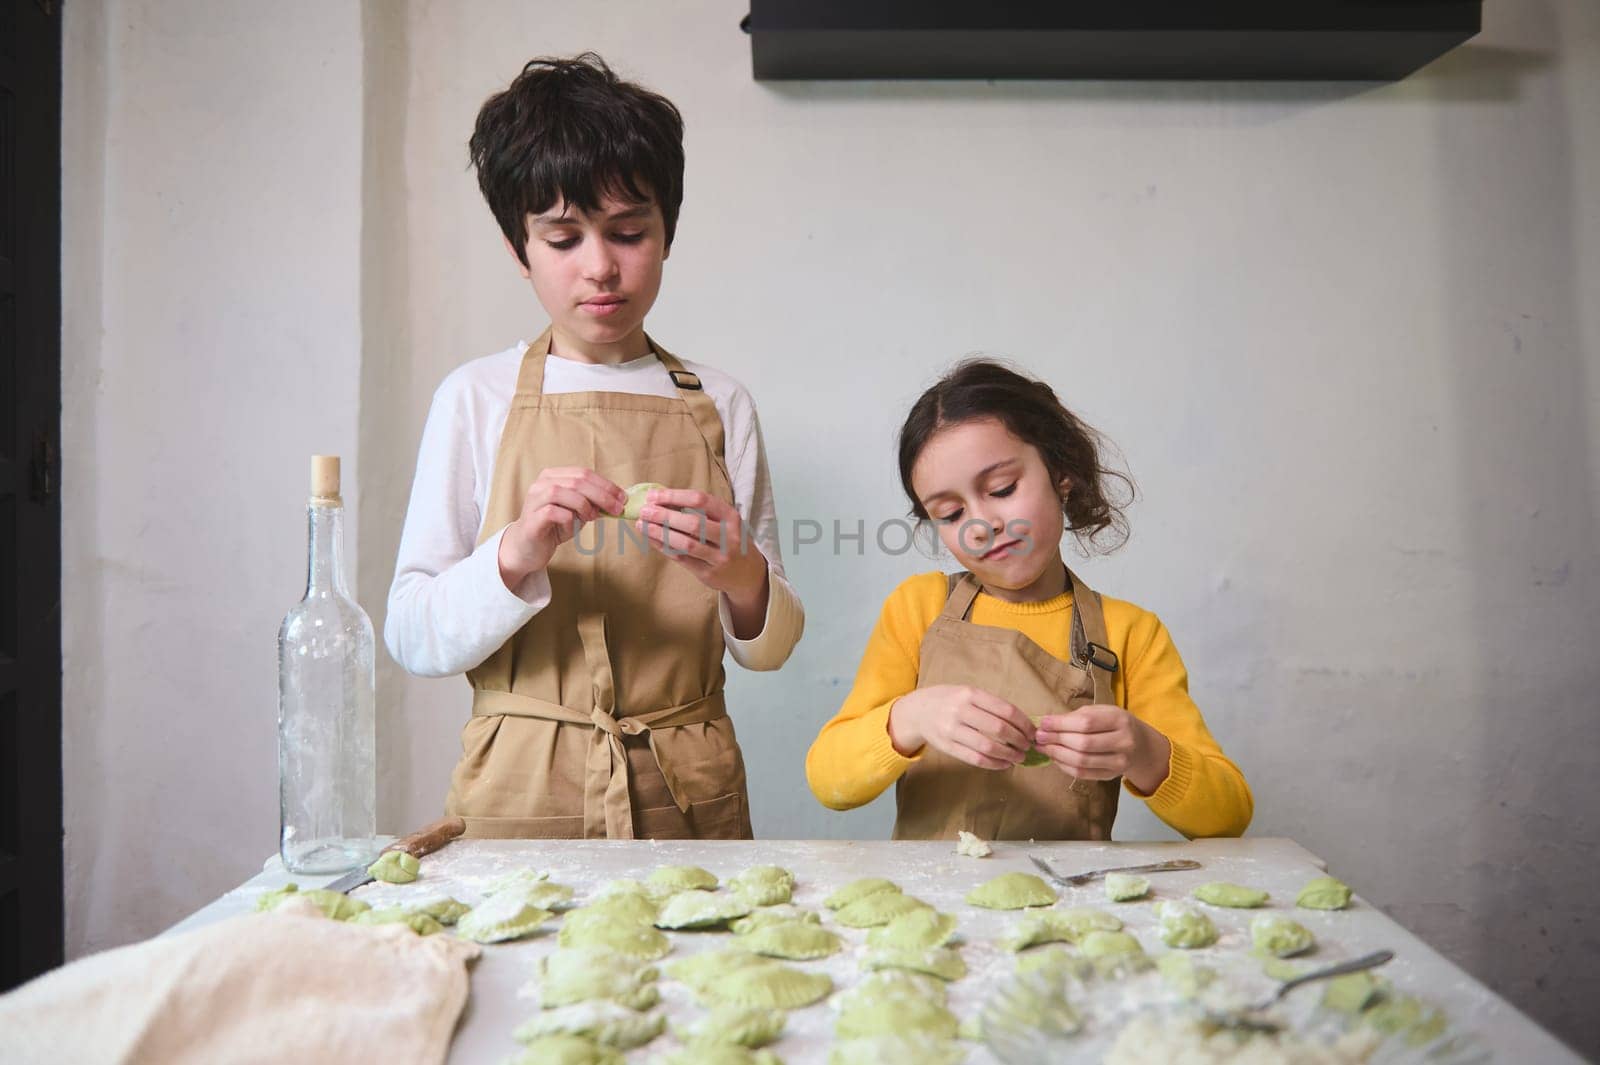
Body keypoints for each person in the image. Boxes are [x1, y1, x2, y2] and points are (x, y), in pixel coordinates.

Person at [386, 54, 803, 840]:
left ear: (667, 233)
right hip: (519, 787)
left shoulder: (720, 404)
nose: (601, 267)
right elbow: (412, 634)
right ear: (521, 249)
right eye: (564, 238)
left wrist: (740, 572)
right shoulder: (476, 397)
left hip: (691, 790)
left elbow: (770, 649)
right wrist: (518, 550)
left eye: (628, 232)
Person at [805, 359, 1250, 840]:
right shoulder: (919, 608)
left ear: (1061, 473)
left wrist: (1145, 752)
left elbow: (1228, 817)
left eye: (1002, 489)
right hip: (938, 904)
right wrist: (911, 718)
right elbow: (830, 783)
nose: (982, 525)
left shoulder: (1131, 633)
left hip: (1069, 908)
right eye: (951, 514)